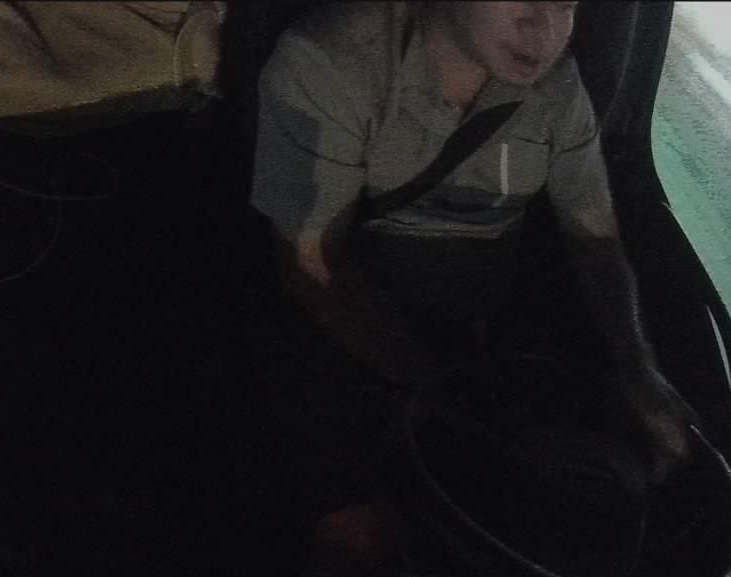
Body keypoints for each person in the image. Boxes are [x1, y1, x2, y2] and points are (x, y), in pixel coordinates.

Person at [247, 0, 695, 504]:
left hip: (489, 332)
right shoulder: (333, 61)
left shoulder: (555, 87)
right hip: (354, 334)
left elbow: (594, 240)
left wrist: (638, 371)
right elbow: (310, 266)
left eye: (565, 4)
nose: (543, 26)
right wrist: (455, 401)